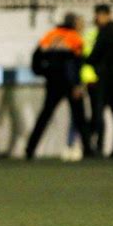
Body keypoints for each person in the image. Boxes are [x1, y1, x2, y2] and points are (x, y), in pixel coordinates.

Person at [27, 13, 92, 159]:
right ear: (74, 24)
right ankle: (88, 149)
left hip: (53, 82)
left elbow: (36, 59)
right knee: (80, 117)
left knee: (44, 116)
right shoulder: (75, 38)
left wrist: (45, 73)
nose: (82, 26)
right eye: (80, 23)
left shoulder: (50, 35)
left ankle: (30, 149)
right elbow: (74, 65)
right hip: (69, 83)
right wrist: (76, 84)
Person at [88, 4, 113, 158]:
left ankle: (97, 147)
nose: (96, 18)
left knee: (98, 114)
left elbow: (96, 54)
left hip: (106, 80)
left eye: (98, 15)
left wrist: (87, 61)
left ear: (106, 15)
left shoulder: (106, 32)